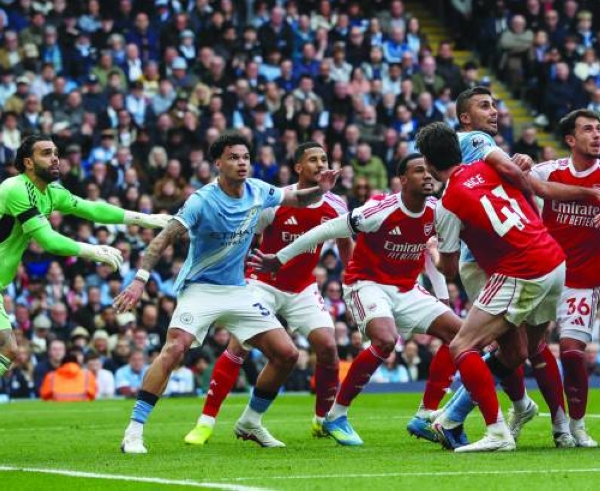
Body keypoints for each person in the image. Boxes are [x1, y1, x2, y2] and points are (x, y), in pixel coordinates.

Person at [115, 131, 340, 454]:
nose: (242, 163)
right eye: (234, 157)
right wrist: (139, 279)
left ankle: (250, 422)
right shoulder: (201, 200)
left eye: (246, 157)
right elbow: (164, 238)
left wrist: (322, 189)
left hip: (237, 290)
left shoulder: (259, 190)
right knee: (174, 348)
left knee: (287, 353)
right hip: (201, 289)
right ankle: (134, 431)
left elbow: (296, 199)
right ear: (218, 163)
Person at [433, 86, 600, 448]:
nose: (494, 111)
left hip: (514, 258)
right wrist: (526, 185)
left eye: (495, 105)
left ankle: (513, 420)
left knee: (517, 347)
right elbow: (534, 187)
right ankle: (523, 417)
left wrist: (529, 177)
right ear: (464, 119)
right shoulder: (477, 143)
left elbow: (534, 186)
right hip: (494, 259)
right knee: (517, 348)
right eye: (484, 106)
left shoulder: (475, 166)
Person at [250, 154, 459, 447]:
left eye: (430, 171)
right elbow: (325, 230)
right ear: (402, 179)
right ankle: (336, 415)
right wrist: (280, 258)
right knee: (385, 340)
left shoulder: (437, 211)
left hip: (408, 288)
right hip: (367, 283)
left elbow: (429, 251)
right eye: (419, 171)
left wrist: (442, 299)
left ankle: (425, 414)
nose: (428, 176)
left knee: (460, 336)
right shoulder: (378, 210)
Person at [182, 142, 351, 446]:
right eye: (313, 160)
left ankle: (323, 420)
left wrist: (350, 279)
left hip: (302, 287)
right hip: (262, 282)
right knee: (239, 346)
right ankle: (205, 422)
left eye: (324, 159)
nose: (320, 164)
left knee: (327, 347)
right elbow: (244, 235)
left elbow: (345, 239)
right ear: (298, 167)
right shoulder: (274, 201)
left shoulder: (337, 205)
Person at [417, 122, 567, 453]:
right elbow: (524, 186)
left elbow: (451, 269)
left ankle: (496, 431)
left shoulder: (447, 203)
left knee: (462, 346)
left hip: (523, 269)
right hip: (554, 259)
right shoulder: (486, 166)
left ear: (427, 163)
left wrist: (433, 253)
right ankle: (541, 420)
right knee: (515, 351)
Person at [1, 136, 165, 381]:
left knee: (8, 350)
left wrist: (145, 219)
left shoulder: (51, 191)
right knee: (8, 348)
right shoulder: (16, 189)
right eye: (46, 153)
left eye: (56, 152)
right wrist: (93, 251)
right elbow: (48, 240)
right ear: (28, 162)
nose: (55, 157)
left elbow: (92, 209)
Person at [531, 110, 600, 447]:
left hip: (582, 280)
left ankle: (577, 426)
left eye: (599, 129)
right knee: (528, 351)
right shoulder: (547, 172)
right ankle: (558, 423)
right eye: (588, 130)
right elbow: (521, 188)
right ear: (570, 139)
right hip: (543, 276)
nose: (596, 135)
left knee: (573, 353)